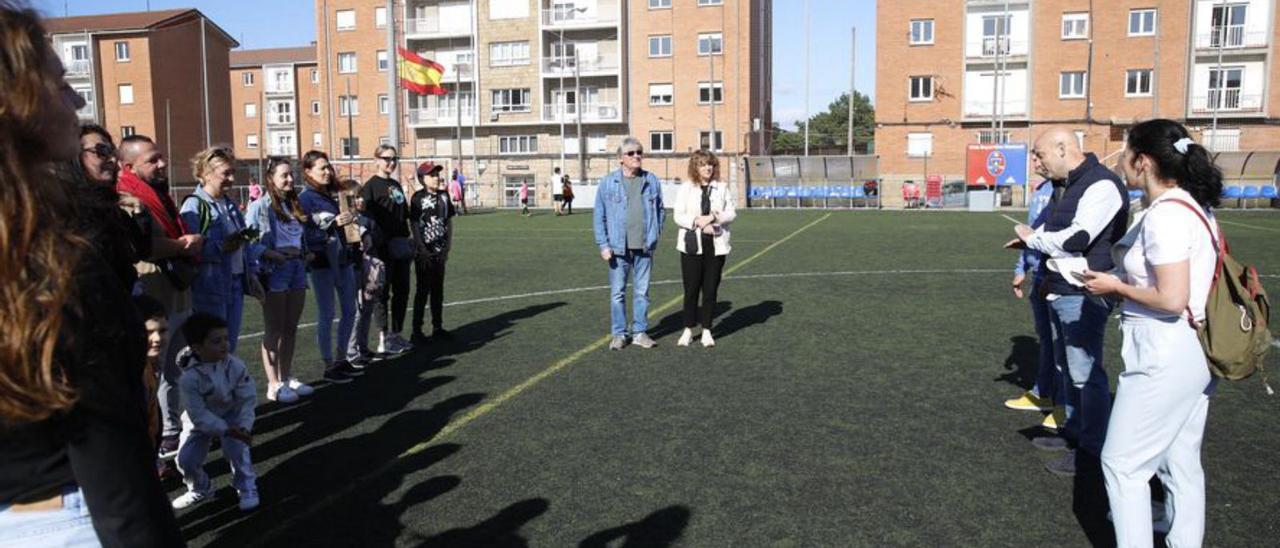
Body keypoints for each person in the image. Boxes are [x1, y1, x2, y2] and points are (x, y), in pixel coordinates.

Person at [0, 5, 183, 543]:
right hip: (64, 516)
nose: (77, 101)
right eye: (60, 85)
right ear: (16, 105)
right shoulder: (50, 261)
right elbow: (111, 466)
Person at [1078, 120, 1222, 547]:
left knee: (1122, 465)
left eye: (1125, 154)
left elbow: (1171, 298)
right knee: (1179, 463)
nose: (1120, 163)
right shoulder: (1192, 207)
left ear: (1143, 161)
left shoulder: (1168, 216)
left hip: (1165, 349)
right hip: (1192, 349)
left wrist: (1115, 286)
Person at [1012, 128, 1129, 477]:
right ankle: (1075, 432)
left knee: (1085, 372)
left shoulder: (1101, 185)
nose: (1037, 161)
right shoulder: (1066, 186)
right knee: (1067, 367)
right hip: (1060, 286)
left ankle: (1092, 450)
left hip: (1084, 293)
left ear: (1063, 148)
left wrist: (1035, 240)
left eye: (1040, 154)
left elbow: (1079, 237)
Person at [117, 133, 205, 466]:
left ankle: (176, 428)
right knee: (153, 369)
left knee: (178, 366)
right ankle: (163, 435)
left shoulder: (157, 193)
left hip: (176, 291)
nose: (162, 164)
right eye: (152, 160)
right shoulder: (126, 197)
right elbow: (145, 246)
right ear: (129, 166)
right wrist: (185, 245)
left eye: (161, 157)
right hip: (154, 293)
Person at [181, 146, 264, 357]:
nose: (231, 178)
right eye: (226, 173)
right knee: (211, 348)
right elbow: (191, 249)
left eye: (232, 172)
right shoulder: (194, 205)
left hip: (235, 283)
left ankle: (225, 388)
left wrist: (251, 274)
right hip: (211, 287)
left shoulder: (229, 204)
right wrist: (222, 246)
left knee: (228, 347)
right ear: (206, 174)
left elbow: (242, 244)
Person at [171, 313, 259, 511]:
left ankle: (246, 486)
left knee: (236, 450)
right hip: (200, 421)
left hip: (232, 415)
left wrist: (243, 426)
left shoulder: (235, 365)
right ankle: (200, 487)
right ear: (197, 348)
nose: (224, 345)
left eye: (226, 339)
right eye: (216, 341)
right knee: (185, 459)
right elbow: (198, 414)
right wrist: (225, 430)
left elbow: (247, 398)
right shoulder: (189, 378)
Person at [247, 158, 314, 403]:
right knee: (274, 329)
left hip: (297, 268)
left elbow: (299, 236)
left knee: (290, 328)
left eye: (290, 175)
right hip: (275, 269)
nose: (289, 179)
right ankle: (273, 383)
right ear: (271, 178)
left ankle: (286, 377)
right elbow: (250, 242)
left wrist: (305, 254)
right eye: (284, 175)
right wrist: (272, 254)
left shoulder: (292, 204)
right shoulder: (260, 206)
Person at [1005, 176, 1066, 434]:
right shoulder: (1042, 189)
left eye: (1040, 155)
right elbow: (1031, 232)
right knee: (1047, 338)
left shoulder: (1069, 190)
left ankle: (1065, 405)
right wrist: (1022, 268)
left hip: (1057, 274)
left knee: (1061, 343)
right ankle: (1042, 393)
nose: (1036, 162)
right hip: (1039, 274)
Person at [593, 137, 666, 350]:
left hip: (644, 247)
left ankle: (640, 333)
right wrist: (603, 245)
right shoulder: (608, 183)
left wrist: (654, 234)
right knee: (618, 293)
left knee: (642, 292)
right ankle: (619, 334)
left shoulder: (651, 180)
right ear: (620, 158)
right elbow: (599, 216)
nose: (637, 156)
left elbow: (661, 211)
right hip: (617, 248)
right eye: (631, 153)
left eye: (639, 152)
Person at [299, 150, 363, 383]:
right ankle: (328, 365)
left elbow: (346, 224)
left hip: (343, 258)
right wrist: (331, 225)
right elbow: (304, 233)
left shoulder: (333, 193)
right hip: (322, 263)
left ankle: (341, 358)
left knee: (350, 310)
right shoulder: (306, 199)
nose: (327, 172)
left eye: (328, 167)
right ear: (308, 172)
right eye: (321, 168)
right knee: (327, 313)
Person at [673, 150, 736, 347]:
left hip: (716, 246)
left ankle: (707, 330)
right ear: (695, 167)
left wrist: (714, 218)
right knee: (691, 289)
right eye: (702, 164)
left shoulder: (722, 187)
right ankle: (688, 329)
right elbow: (678, 215)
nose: (707, 168)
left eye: (710, 164)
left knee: (710, 289)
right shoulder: (686, 188)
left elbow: (732, 212)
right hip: (692, 246)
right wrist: (698, 222)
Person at [360, 144, 413, 356]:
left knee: (402, 290)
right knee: (383, 293)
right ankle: (383, 338)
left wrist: (409, 238)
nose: (391, 162)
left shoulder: (395, 184)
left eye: (394, 159)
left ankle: (395, 334)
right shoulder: (370, 187)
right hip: (382, 247)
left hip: (401, 245)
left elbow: (403, 214)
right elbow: (366, 218)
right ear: (376, 160)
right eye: (386, 158)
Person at [410, 162, 457, 344]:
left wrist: (448, 246)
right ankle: (417, 330)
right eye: (432, 175)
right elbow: (414, 224)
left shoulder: (444, 196)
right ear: (422, 179)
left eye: (437, 174)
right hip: (424, 252)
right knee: (423, 290)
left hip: (440, 251)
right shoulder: (417, 198)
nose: (437, 178)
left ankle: (437, 326)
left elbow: (449, 222)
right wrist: (420, 247)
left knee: (438, 289)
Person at [346, 179, 388, 367]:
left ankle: (363, 348)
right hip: (355, 267)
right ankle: (351, 352)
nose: (359, 200)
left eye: (360, 196)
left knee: (368, 307)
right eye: (355, 197)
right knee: (357, 309)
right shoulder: (346, 219)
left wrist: (369, 236)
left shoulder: (367, 217)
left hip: (369, 268)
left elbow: (378, 238)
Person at [134, 294, 170, 454]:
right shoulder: (133, 374)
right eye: (149, 332)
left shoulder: (148, 365)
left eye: (162, 330)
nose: (157, 338)